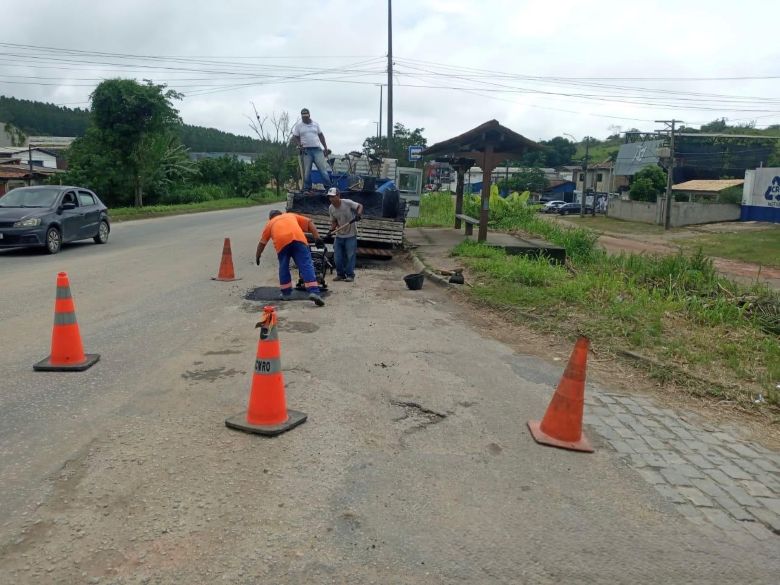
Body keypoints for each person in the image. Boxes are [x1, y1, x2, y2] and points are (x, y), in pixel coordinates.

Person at [256, 210, 325, 306]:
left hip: (282, 243)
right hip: (299, 240)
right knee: (306, 265)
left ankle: (286, 294)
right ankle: (314, 292)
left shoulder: (270, 223)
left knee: (284, 267)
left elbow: (262, 243)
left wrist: (258, 255)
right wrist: (317, 237)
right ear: (281, 214)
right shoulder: (290, 215)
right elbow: (309, 222)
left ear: (271, 218)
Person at [327, 187, 363, 283]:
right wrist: (330, 230)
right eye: (329, 197)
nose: (331, 199)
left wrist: (358, 215)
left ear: (338, 196)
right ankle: (340, 274)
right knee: (337, 257)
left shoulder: (346, 202)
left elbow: (360, 206)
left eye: (333, 197)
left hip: (351, 235)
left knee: (350, 256)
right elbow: (334, 222)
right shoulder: (331, 208)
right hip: (339, 235)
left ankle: (350, 275)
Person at [292, 108, 332, 192]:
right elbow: (295, 136)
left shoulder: (315, 124)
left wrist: (325, 147)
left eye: (306, 116)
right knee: (307, 172)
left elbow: (321, 135)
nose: (305, 118)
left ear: (309, 115)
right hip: (306, 151)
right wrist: (299, 145)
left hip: (317, 150)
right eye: (303, 117)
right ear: (301, 116)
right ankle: (307, 188)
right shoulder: (299, 126)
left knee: (322, 170)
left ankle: (328, 187)